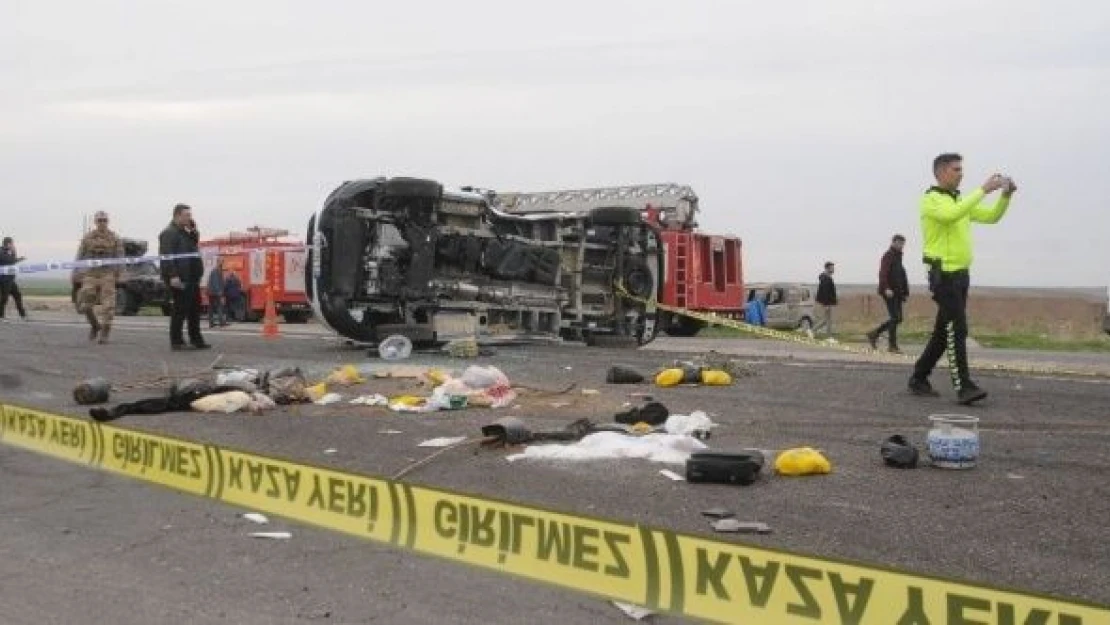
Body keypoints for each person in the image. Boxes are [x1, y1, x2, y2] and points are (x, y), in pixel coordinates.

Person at [908, 153, 1015, 405]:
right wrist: (983, 189)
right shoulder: (931, 200)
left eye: (961, 169)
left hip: (961, 276)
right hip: (942, 275)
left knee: (942, 334)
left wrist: (1005, 196)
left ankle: (919, 377)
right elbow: (951, 215)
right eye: (956, 169)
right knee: (958, 328)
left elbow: (991, 217)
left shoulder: (960, 201)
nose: (961, 173)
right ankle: (963, 386)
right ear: (941, 172)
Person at [159, 204, 210, 351]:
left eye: (190, 215)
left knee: (195, 310)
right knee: (180, 310)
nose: (190, 218)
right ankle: (176, 341)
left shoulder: (185, 233)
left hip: (192, 277)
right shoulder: (169, 233)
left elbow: (194, 242)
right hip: (180, 278)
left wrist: (193, 229)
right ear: (177, 215)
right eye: (187, 215)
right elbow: (166, 256)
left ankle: (196, 339)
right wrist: (173, 276)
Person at [74, 213, 124, 342]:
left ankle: (105, 333)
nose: (102, 222)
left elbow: (120, 257)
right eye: (100, 220)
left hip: (107, 274)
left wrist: (120, 273)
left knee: (108, 306)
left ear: (108, 221)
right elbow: (80, 255)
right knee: (83, 303)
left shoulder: (114, 238)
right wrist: (76, 272)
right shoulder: (88, 237)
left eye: (105, 220)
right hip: (90, 274)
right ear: (95, 222)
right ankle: (95, 325)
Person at [867, 234, 910, 353]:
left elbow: (901, 275)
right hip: (889, 292)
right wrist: (886, 288)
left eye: (903, 244)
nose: (901, 246)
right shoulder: (888, 256)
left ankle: (874, 333)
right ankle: (892, 346)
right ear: (893, 242)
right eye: (899, 243)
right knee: (895, 317)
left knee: (898, 318)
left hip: (897, 293)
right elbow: (882, 273)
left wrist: (905, 292)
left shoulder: (898, 257)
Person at [0, 236, 28, 321]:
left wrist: (19, 259)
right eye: (12, 243)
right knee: (4, 297)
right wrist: (14, 252)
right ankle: (1, 315)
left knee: (17, 295)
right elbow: (9, 260)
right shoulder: (1, 251)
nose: (13, 245)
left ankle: (22, 315)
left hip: (10, 279)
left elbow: (13, 260)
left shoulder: (8, 251)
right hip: (3, 279)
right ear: (8, 244)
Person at [812, 261, 837, 337]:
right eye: (832, 268)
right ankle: (813, 331)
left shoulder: (826, 277)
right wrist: (826, 304)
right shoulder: (826, 278)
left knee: (827, 320)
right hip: (826, 303)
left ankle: (813, 331)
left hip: (827, 302)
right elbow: (825, 292)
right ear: (827, 268)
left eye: (833, 268)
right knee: (827, 320)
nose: (833, 270)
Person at [206, 258, 228, 328]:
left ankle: (212, 323)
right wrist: (220, 292)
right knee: (218, 307)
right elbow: (216, 283)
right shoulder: (216, 271)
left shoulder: (218, 270)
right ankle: (219, 323)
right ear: (218, 262)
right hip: (214, 292)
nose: (222, 264)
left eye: (222, 262)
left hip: (213, 292)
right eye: (221, 262)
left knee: (213, 307)